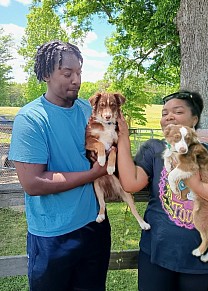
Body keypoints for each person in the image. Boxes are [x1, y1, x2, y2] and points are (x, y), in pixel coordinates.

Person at [117, 90, 208, 291]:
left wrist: (198, 186)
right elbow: (130, 183)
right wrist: (123, 137)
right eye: (164, 113)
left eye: (177, 111)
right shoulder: (154, 149)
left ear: (194, 119)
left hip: (199, 261)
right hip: (156, 252)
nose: (169, 116)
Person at [8, 40, 111, 291]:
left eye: (78, 73)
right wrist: (92, 174)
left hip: (94, 226)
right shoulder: (31, 119)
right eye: (67, 73)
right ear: (45, 74)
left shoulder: (88, 109)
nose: (76, 80)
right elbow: (33, 182)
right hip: (52, 234)